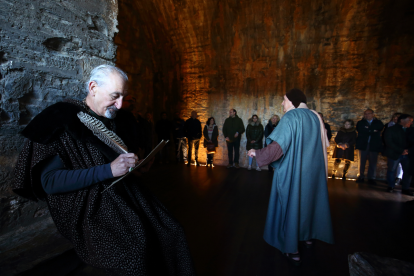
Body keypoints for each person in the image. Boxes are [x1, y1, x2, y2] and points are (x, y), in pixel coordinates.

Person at [12, 65, 195, 275]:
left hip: (123, 193)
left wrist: (136, 167)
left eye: (123, 97)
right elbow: (50, 182)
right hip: (87, 204)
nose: (120, 104)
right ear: (93, 87)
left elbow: (117, 161)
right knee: (134, 251)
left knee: (172, 230)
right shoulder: (59, 119)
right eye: (115, 96)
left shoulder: (114, 119)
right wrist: (108, 170)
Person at [248, 89, 333, 266]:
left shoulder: (291, 117)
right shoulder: (316, 116)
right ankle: (308, 237)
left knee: (291, 203)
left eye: (284, 100)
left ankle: (291, 248)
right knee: (309, 202)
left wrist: (257, 153)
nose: (282, 104)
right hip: (313, 172)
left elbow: (278, 147)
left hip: (295, 171)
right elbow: (324, 143)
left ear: (293, 101)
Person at [383, 114, 414, 195]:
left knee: (407, 171)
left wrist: (408, 150)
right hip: (394, 153)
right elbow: (389, 142)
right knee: (392, 170)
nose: (411, 123)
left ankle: (405, 188)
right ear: (402, 120)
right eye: (409, 121)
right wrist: (400, 150)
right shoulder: (391, 129)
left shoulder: (412, 130)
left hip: (408, 154)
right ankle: (391, 186)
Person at [355, 109, 384, 185]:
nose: (367, 115)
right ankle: (361, 176)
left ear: (373, 114)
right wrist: (372, 130)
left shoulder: (378, 122)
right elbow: (360, 130)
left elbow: (380, 128)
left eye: (369, 113)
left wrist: (368, 129)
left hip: (374, 145)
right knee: (361, 161)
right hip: (363, 144)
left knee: (373, 162)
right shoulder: (361, 122)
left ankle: (371, 178)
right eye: (365, 114)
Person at [383, 113, 403, 185]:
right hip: (390, 148)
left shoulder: (404, 128)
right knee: (391, 166)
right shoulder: (388, 126)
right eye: (394, 118)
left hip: (401, 149)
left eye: (397, 118)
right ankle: (390, 181)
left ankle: (398, 178)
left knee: (400, 165)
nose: (395, 119)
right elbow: (385, 138)